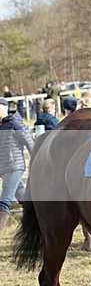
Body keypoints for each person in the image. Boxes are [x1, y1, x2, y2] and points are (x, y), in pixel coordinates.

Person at [0, 98, 34, 232]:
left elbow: (29, 141)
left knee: (5, 200)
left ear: (4, 108)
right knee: (24, 199)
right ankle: (36, 223)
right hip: (6, 167)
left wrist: (37, 160)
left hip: (15, 166)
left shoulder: (15, 123)